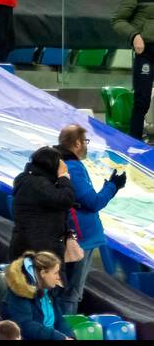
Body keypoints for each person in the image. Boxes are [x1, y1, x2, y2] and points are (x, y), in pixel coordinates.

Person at [56, 124, 123, 315]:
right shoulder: (72, 167)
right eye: (85, 141)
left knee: (67, 289)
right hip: (80, 237)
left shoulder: (60, 162)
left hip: (74, 234)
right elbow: (92, 202)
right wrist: (113, 187)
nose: (86, 145)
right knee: (71, 292)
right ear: (76, 143)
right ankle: (66, 332)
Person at [9, 146, 76, 261]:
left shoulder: (27, 179)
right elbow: (66, 199)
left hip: (25, 245)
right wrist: (63, 177)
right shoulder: (39, 184)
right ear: (53, 166)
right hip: (41, 250)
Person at [111, 0, 154, 137]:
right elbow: (117, 20)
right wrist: (134, 35)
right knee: (142, 100)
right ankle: (133, 142)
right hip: (146, 53)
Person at [3, 251, 73, 341]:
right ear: (43, 273)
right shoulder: (20, 292)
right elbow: (25, 326)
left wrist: (70, 337)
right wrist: (60, 337)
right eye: (55, 273)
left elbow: (59, 320)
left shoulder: (49, 291)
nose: (58, 277)